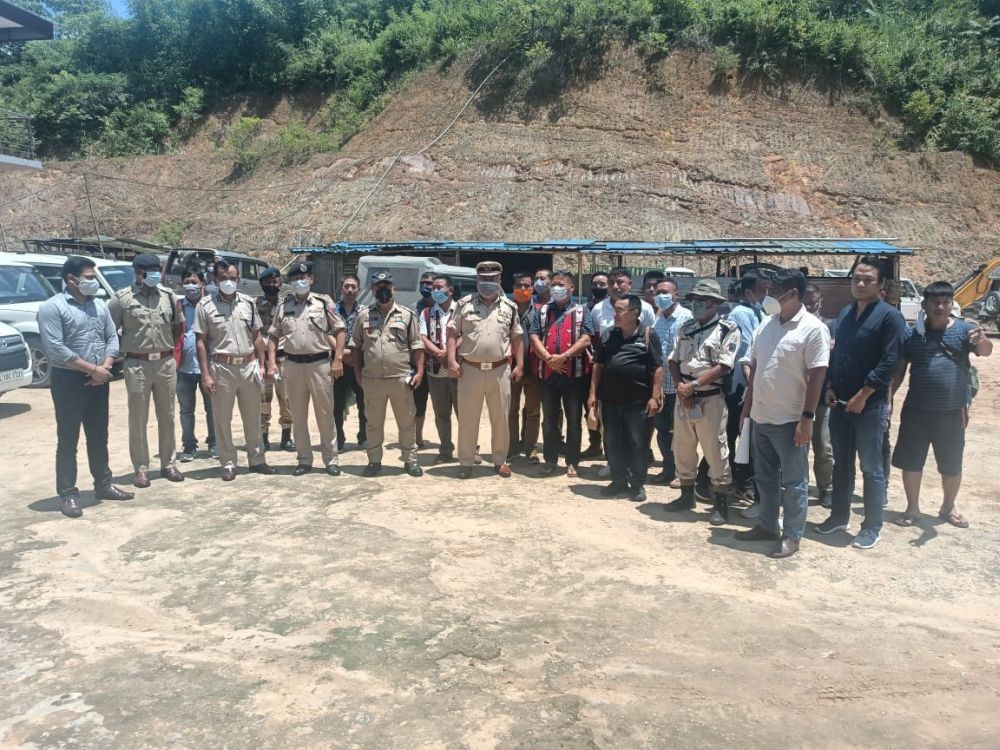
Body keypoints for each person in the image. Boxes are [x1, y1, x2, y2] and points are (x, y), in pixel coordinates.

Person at [734, 269, 830, 558]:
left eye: (775, 291)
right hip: (762, 416)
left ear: (793, 295)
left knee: (794, 482)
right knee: (765, 478)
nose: (769, 296)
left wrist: (807, 418)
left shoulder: (812, 329)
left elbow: (817, 376)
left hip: (791, 421)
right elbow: (757, 367)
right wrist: (747, 409)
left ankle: (792, 535)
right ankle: (767, 526)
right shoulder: (767, 324)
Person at [815, 256, 905, 550]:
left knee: (871, 468)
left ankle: (871, 526)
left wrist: (862, 395)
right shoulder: (845, 314)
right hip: (839, 403)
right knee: (842, 464)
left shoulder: (890, 317)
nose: (860, 284)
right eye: (856, 279)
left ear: (880, 285)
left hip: (870, 406)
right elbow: (836, 354)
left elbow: (889, 361)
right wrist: (828, 385)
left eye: (867, 280)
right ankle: (839, 517)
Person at [37, 256, 134, 518]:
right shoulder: (52, 308)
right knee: (68, 439)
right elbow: (56, 349)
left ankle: (103, 485)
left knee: (98, 435)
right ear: (71, 279)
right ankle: (68, 494)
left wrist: (105, 367)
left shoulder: (99, 306)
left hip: (100, 377)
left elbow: (112, 337)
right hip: (68, 380)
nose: (93, 282)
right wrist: (94, 370)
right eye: (89, 278)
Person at [891, 281, 992, 528]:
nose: (940, 306)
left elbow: (987, 351)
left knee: (951, 462)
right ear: (924, 304)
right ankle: (912, 508)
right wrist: (889, 398)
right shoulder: (913, 333)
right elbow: (901, 369)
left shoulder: (964, 331)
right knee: (912, 461)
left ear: (951, 305)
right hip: (917, 409)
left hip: (952, 410)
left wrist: (982, 339)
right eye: (935, 302)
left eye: (945, 302)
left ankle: (948, 506)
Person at [663, 279, 740, 525]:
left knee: (715, 451)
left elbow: (724, 366)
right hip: (684, 396)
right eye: (694, 300)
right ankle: (686, 495)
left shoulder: (728, 329)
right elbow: (673, 360)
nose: (696, 304)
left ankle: (720, 503)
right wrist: (681, 388)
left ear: (715, 303)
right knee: (683, 448)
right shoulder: (686, 328)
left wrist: (693, 387)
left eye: (702, 300)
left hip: (709, 397)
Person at [194, 260, 276, 481]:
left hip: (249, 366)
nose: (228, 282)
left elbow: (257, 335)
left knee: (253, 416)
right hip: (222, 368)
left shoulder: (248, 303)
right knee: (222, 417)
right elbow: (200, 341)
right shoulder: (205, 305)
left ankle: (257, 459)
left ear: (238, 279)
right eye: (223, 278)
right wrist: (205, 374)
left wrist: (262, 364)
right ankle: (228, 462)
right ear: (215, 280)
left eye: (232, 278)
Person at [109, 253, 184, 488]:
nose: (155, 275)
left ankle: (168, 463)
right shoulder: (122, 299)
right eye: (149, 272)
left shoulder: (169, 297)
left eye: (157, 271)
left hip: (164, 362)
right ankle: (141, 468)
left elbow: (178, 328)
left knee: (168, 415)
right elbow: (110, 332)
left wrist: (169, 353)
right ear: (137, 273)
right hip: (137, 364)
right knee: (138, 417)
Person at [267, 261, 346, 476]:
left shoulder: (323, 302)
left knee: (325, 414)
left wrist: (338, 359)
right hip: (292, 365)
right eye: (295, 279)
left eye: (303, 278)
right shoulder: (284, 305)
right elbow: (273, 336)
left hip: (320, 365)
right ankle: (304, 459)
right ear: (290, 282)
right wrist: (272, 363)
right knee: (298, 415)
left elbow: (339, 330)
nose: (300, 282)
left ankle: (331, 460)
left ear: (311, 280)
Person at [448, 261, 524, 479]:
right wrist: (452, 361)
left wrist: (519, 365)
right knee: (467, 419)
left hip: (500, 371)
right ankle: (466, 461)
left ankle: (500, 460)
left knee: (500, 419)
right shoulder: (464, 305)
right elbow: (452, 333)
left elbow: (517, 337)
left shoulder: (509, 307)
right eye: (484, 279)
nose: (488, 282)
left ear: (500, 280)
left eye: (492, 278)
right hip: (469, 370)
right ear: (477, 280)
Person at [588, 294, 663, 502]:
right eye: (615, 310)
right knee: (612, 441)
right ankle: (618, 481)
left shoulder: (648, 335)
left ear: (634, 313)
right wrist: (593, 394)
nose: (615, 314)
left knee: (638, 443)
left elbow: (657, 368)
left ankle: (637, 484)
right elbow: (598, 366)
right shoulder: (608, 335)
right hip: (610, 401)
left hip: (637, 402)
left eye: (620, 310)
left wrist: (655, 397)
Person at [354, 271, 425, 477]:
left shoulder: (407, 315)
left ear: (394, 289)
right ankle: (374, 462)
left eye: (387, 286)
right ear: (373, 290)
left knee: (406, 422)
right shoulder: (364, 315)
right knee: (373, 423)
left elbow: (417, 346)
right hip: (372, 380)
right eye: (378, 287)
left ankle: (410, 461)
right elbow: (356, 347)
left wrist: (419, 371)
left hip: (400, 379)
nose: (382, 290)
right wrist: (358, 373)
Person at [530, 271, 594, 477]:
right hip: (547, 375)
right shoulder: (540, 312)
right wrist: (549, 359)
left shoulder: (583, 312)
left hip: (574, 376)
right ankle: (550, 459)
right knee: (549, 419)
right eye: (554, 284)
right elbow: (533, 337)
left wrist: (563, 357)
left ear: (571, 288)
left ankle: (572, 461)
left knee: (574, 420)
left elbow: (586, 339)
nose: (557, 288)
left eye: (561, 284)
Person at [722, 270, 767, 513]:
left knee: (745, 437)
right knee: (738, 434)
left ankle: (742, 480)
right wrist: (754, 386)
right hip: (741, 385)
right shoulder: (741, 313)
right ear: (749, 292)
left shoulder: (757, 311)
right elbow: (749, 352)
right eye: (763, 291)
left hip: (751, 385)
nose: (767, 295)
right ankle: (739, 481)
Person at [650, 276, 692, 485]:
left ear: (676, 295)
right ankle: (668, 468)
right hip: (661, 386)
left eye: (665, 292)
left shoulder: (686, 318)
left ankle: (682, 472)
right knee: (663, 430)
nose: (661, 296)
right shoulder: (656, 319)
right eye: (658, 292)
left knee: (682, 433)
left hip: (679, 386)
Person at [176, 267, 216, 462]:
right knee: (186, 410)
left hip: (207, 367)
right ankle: (189, 446)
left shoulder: (210, 305)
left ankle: (215, 443)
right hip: (183, 367)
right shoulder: (177, 306)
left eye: (194, 282)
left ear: (203, 284)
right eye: (186, 282)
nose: (190, 286)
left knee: (213, 408)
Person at [419, 274, 459, 463]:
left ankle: (470, 449)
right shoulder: (426, 313)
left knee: (465, 412)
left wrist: (450, 352)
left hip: (459, 371)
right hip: (435, 371)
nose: (435, 291)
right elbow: (422, 337)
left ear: (450, 290)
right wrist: (439, 353)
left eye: (439, 287)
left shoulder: (462, 310)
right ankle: (445, 450)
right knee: (441, 414)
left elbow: (469, 334)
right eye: (433, 288)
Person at [802, 283, 834, 507]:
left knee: (823, 446)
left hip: (822, 397)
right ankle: (800, 487)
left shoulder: (830, 327)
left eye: (814, 303)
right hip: (798, 397)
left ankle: (826, 488)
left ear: (820, 303)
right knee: (799, 447)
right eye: (806, 303)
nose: (810, 307)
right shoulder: (796, 328)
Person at [257, 267, 294, 453]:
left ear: (280, 283)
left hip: (283, 358)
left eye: (275, 282)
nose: (272, 285)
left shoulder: (288, 304)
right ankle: (263, 437)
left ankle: (287, 436)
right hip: (261, 360)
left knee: (287, 400)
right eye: (268, 282)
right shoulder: (255, 304)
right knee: (263, 400)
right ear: (262, 284)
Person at [508, 271, 542, 463]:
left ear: (532, 289)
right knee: (510, 411)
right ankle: (512, 447)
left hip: (535, 370)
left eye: (527, 286)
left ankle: (531, 448)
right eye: (519, 285)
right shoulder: (507, 310)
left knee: (533, 411)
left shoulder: (541, 310)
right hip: (509, 370)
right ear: (513, 289)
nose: (523, 289)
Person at [333, 273, 367, 451]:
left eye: (353, 287)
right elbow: (326, 334)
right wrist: (342, 353)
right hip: (337, 363)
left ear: (359, 290)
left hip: (358, 364)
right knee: (336, 404)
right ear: (341, 288)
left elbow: (367, 336)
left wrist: (354, 355)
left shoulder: (364, 311)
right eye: (347, 286)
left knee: (364, 403)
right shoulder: (331, 310)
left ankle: (364, 437)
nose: (350, 290)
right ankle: (338, 438)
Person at [581, 272, 610, 459]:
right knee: (589, 406)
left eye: (602, 283)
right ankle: (594, 444)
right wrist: (588, 355)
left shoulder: (611, 308)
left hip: (608, 367)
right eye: (595, 283)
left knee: (608, 410)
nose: (598, 287)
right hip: (586, 365)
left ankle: (610, 450)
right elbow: (581, 336)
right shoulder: (583, 308)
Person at [591, 268, 656, 336]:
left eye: (620, 282)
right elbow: (596, 338)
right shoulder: (598, 308)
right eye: (611, 282)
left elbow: (650, 334)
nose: (615, 286)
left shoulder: (645, 308)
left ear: (630, 284)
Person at [411, 270, 436, 450]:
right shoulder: (413, 308)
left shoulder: (444, 307)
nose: (426, 286)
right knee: (418, 404)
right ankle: (417, 439)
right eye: (423, 282)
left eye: (430, 283)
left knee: (445, 406)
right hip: (418, 364)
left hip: (441, 364)